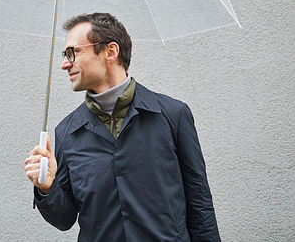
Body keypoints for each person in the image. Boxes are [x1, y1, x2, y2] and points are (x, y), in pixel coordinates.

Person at [24, 13, 220, 241]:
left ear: (110, 52)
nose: (64, 64)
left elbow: (200, 204)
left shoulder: (173, 115)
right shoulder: (67, 131)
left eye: (72, 53)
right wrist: (47, 188)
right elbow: (64, 219)